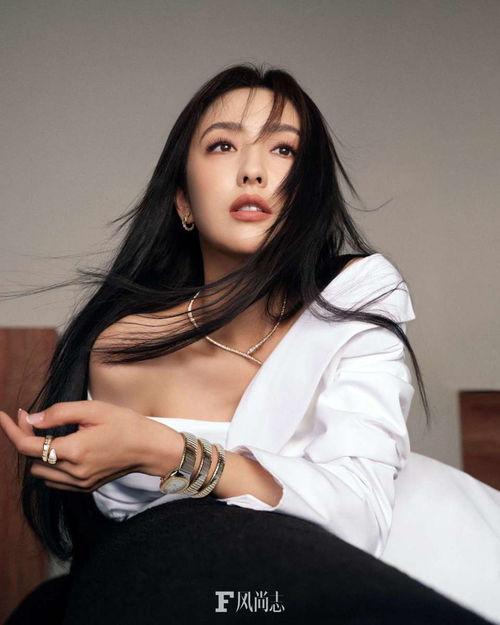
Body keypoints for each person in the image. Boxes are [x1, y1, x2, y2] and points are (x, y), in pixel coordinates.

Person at [1, 63, 496, 624]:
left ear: (307, 197)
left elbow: (358, 514)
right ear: (183, 202)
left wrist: (171, 451)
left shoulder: (357, 301)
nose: (253, 171)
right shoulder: (126, 352)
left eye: (283, 150)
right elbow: (120, 535)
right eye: (223, 146)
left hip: (431, 550)